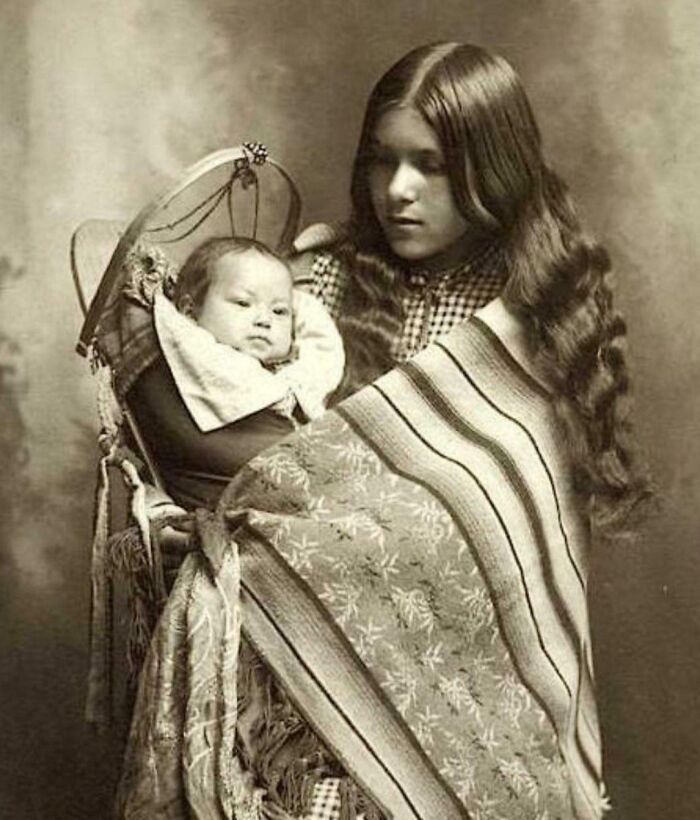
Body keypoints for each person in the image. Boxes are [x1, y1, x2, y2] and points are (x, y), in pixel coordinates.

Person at [112, 42, 649, 820]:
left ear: (493, 170)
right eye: (381, 161)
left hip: (465, 693)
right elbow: (235, 425)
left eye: (432, 166)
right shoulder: (312, 283)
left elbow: (502, 545)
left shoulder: (533, 321)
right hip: (304, 690)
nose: (398, 190)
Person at [145, 235, 344, 508]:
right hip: (237, 495)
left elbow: (318, 336)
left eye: (279, 311)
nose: (264, 320)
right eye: (242, 303)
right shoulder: (200, 356)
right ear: (190, 311)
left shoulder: (294, 370)